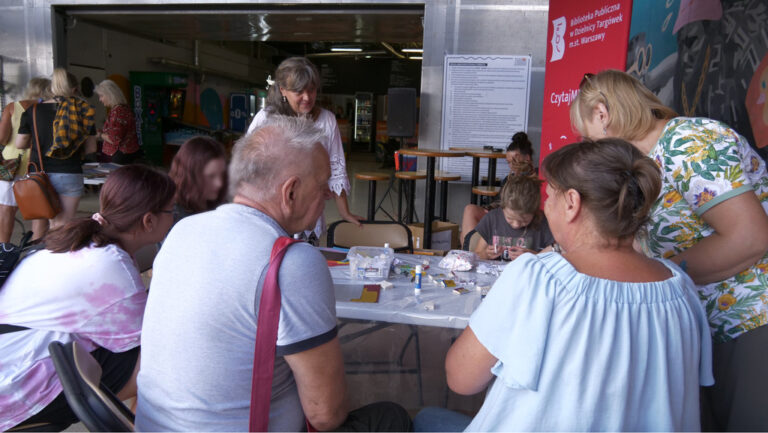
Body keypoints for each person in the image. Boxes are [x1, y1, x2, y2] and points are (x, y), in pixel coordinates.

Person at [136, 115, 411, 432]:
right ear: (290, 192)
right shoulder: (290, 261)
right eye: (322, 188)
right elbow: (325, 415)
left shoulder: (182, 231)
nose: (326, 199)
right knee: (392, 417)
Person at [415, 139, 713, 432]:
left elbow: (461, 378)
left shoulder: (539, 277)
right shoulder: (681, 287)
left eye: (550, 196)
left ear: (572, 203)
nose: (547, 205)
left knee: (425, 417)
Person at [571, 69, 768, 431]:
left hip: (751, 320)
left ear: (602, 113)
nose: (592, 148)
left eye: (588, 138)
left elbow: (750, 237)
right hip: (709, 327)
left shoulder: (691, 141)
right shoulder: (649, 163)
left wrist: (658, 275)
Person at [0, 165, 176, 431]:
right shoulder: (113, 269)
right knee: (162, 359)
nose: (174, 218)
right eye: (171, 211)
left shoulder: (83, 238)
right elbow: (152, 340)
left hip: (16, 353)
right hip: (16, 386)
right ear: (149, 221)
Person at [246, 57, 362, 240]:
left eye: (312, 90)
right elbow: (247, 166)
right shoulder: (265, 119)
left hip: (308, 216)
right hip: (269, 214)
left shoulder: (327, 120)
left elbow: (337, 167)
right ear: (282, 90)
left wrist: (344, 212)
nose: (307, 97)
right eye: (299, 91)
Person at [15, 68, 97, 231]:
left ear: (51, 87)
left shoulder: (33, 111)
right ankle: (59, 253)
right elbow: (91, 149)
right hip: (70, 172)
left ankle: (47, 254)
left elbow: (20, 143)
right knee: (63, 225)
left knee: (49, 224)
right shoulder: (84, 111)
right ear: (73, 89)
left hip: (40, 173)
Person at [460, 132, 535, 245]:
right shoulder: (509, 179)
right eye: (509, 162)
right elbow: (498, 200)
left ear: (527, 158)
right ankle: (469, 250)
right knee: (470, 209)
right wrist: (490, 208)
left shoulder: (536, 178)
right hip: (501, 213)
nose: (511, 165)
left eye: (514, 160)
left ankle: (473, 249)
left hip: (519, 215)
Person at [0, 77, 51, 242]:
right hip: (37, 164)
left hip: (10, 165)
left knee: (7, 209)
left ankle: (3, 248)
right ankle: (35, 248)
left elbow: (2, 138)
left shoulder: (12, 107)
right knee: (39, 209)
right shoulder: (48, 109)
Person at [473, 163, 554, 260]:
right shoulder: (493, 219)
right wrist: (486, 254)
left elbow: (555, 260)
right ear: (502, 207)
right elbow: (476, 255)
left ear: (535, 211)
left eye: (524, 220)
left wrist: (535, 257)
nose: (516, 225)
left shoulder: (544, 223)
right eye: (510, 218)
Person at [168, 135, 228, 224]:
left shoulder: (222, 207)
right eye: (211, 176)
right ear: (190, 177)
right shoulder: (172, 217)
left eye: (222, 174)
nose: (219, 183)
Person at [94, 79, 141, 164]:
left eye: (101, 96)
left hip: (121, 157)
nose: (100, 99)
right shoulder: (124, 109)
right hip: (127, 155)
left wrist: (100, 134)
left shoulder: (118, 112)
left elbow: (114, 139)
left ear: (110, 95)